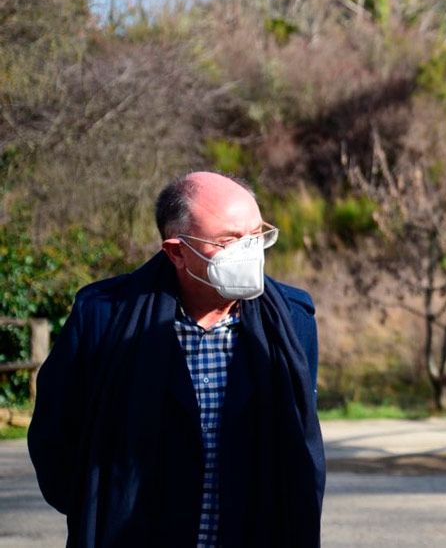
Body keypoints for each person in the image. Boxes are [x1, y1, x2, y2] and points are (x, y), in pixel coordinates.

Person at [28, 172, 325, 548]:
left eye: (256, 235)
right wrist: (96, 506)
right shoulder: (103, 316)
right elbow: (54, 435)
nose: (249, 251)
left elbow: (302, 441)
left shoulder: (294, 319)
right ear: (177, 252)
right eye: (229, 241)